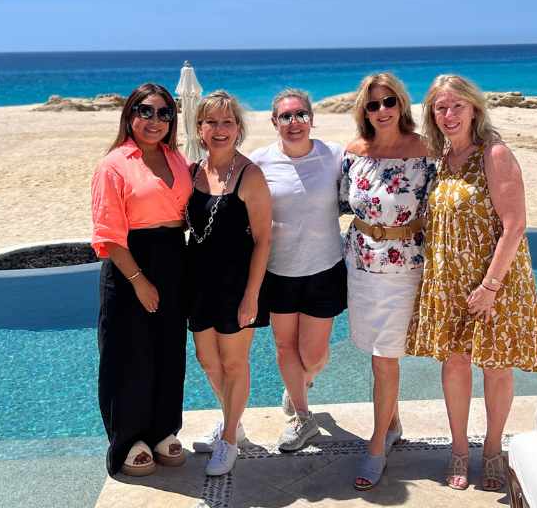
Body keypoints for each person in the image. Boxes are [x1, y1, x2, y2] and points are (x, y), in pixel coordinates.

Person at [406, 74, 537, 492]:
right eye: (440, 108)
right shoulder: (439, 159)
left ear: (474, 109)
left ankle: (491, 450)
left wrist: (489, 286)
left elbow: (515, 225)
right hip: (449, 280)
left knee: (496, 365)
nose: (449, 114)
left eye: (457, 106)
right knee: (454, 363)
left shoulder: (495, 153)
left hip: (495, 280)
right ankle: (458, 449)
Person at [339, 72, 435, 491]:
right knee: (373, 350)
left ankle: (377, 445)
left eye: (389, 101)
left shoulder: (425, 150)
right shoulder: (354, 152)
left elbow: (439, 208)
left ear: (401, 104)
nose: (382, 110)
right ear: (364, 110)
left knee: (385, 356)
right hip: (360, 264)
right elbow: (339, 202)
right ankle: (392, 423)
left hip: (405, 266)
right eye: (373, 104)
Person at [90, 83, 191, 477]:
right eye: (145, 111)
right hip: (129, 262)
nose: (155, 120)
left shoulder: (176, 158)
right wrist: (138, 280)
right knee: (128, 353)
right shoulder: (113, 165)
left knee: (168, 348)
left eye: (164, 113)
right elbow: (108, 235)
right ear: (130, 114)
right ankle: (129, 439)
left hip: (173, 257)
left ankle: (163, 429)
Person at [248, 88, 347, 453]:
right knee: (284, 345)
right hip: (278, 271)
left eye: (300, 114)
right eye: (286, 116)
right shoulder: (259, 162)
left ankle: (300, 383)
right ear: (274, 122)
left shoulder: (334, 155)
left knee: (314, 356)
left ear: (311, 119)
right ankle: (303, 417)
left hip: (325, 269)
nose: (294, 122)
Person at [182, 90, 272, 476]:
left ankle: (230, 439)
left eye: (227, 122)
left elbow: (264, 239)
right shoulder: (191, 172)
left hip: (237, 283)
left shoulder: (250, 175)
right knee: (207, 360)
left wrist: (252, 294)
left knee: (234, 363)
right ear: (199, 128)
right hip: (198, 282)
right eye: (211, 122)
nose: (220, 129)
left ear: (238, 128)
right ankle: (232, 420)